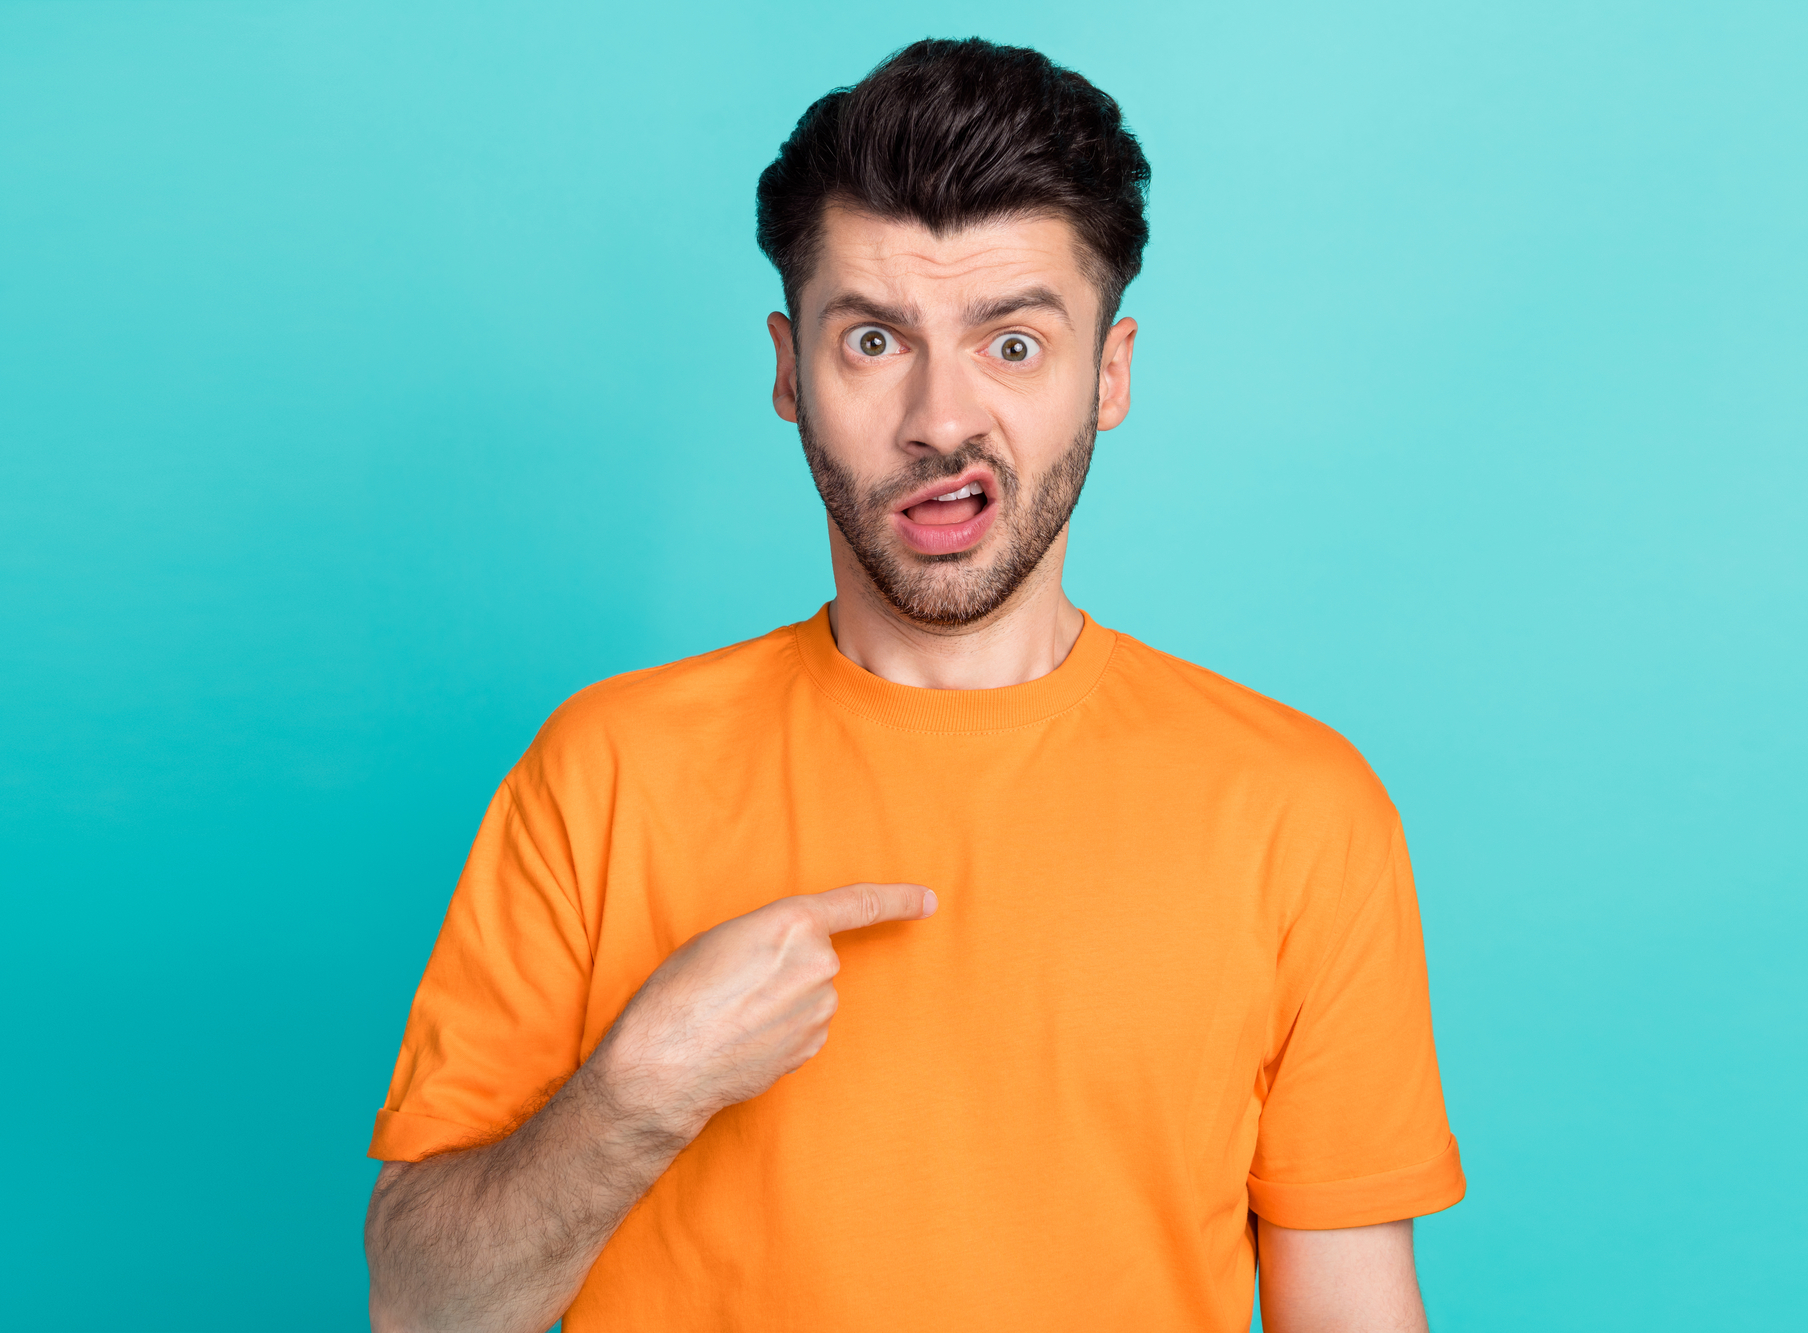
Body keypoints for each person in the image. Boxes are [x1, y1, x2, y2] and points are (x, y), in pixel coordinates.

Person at [363, 37, 1464, 1333]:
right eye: (876, 338)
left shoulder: (1297, 808)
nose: (943, 417)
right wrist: (640, 1092)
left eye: (1012, 342)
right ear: (790, 371)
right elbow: (425, 1311)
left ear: (1108, 374)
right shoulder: (604, 771)